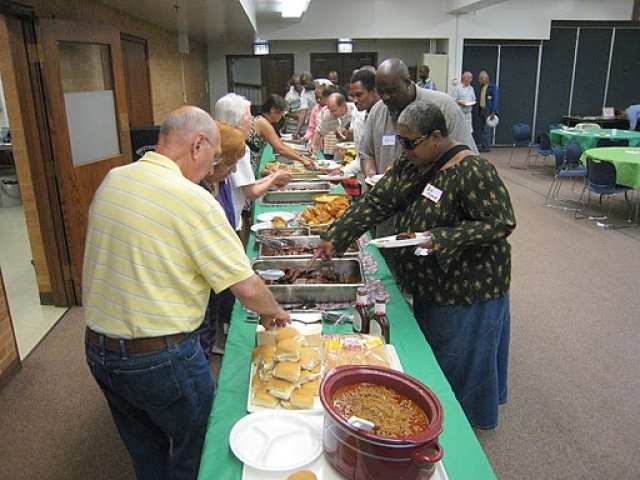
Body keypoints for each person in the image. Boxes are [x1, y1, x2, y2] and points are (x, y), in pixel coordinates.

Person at [83, 106, 290, 480]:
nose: (213, 170)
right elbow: (247, 287)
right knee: (197, 449)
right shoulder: (192, 199)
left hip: (99, 350)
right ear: (198, 144)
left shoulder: (114, 178)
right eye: (214, 158)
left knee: (145, 450)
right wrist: (272, 311)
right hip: (159, 356)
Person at [311, 100, 515, 430]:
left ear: (436, 136)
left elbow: (500, 223)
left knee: (460, 361)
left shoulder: (474, 170)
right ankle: (438, 416)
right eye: (400, 141)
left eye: (409, 142)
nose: (403, 149)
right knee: (437, 356)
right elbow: (378, 202)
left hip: (469, 287)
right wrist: (335, 236)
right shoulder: (413, 163)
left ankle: (459, 427)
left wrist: (442, 237)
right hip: (432, 284)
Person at [360, 58, 477, 181]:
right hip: (388, 190)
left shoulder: (445, 108)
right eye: (380, 92)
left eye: (391, 91)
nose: (385, 97)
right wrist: (370, 174)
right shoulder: (377, 112)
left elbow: (465, 158)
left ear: (407, 83)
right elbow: (366, 153)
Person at [195, 121, 245, 358]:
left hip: (215, 278)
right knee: (202, 325)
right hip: (201, 277)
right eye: (228, 163)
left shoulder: (220, 183)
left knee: (211, 320)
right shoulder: (196, 191)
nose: (233, 170)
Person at [213, 93, 292, 234]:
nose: (252, 122)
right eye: (249, 117)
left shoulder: (221, 141)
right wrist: (274, 179)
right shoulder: (237, 148)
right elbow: (252, 192)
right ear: (237, 122)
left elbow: (247, 185)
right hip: (229, 219)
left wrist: (272, 178)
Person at [338, 69, 381, 198]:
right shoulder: (360, 118)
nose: (355, 100)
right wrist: (342, 172)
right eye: (352, 96)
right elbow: (360, 156)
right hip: (367, 182)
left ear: (374, 91)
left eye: (359, 95)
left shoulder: (388, 115)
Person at [247, 94, 316, 170]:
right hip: (248, 160)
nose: (282, 116)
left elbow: (282, 145)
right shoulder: (262, 122)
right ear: (273, 110)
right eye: (281, 112)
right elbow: (280, 149)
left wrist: (302, 157)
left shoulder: (263, 120)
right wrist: (302, 160)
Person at [477, 71, 499, 152]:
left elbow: (495, 100)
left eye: (481, 79)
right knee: (482, 129)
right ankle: (483, 145)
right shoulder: (482, 87)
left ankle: (487, 147)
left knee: (487, 129)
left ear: (486, 79)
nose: (479, 80)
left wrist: (493, 112)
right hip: (482, 110)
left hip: (489, 111)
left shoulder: (492, 87)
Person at [293, 71, 318, 140]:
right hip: (316, 119)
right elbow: (303, 112)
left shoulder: (323, 83)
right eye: (303, 85)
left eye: (306, 84)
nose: (305, 87)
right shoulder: (304, 94)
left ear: (312, 81)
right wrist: (297, 131)